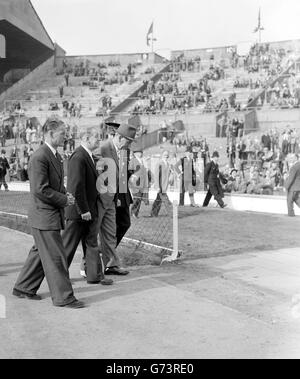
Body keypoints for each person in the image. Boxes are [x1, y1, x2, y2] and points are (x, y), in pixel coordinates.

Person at [13, 116, 85, 309]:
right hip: (44, 216)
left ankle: (24, 287)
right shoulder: (40, 156)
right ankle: (64, 297)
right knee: (55, 257)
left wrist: (65, 194)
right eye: (62, 133)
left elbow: (54, 185)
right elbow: (40, 189)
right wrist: (64, 200)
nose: (66, 136)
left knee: (39, 253)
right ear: (51, 133)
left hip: (48, 214)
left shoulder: (55, 155)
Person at [61, 127, 112, 286]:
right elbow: (76, 186)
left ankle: (95, 275)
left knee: (91, 243)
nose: (99, 140)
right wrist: (83, 210)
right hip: (79, 212)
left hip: (89, 210)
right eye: (96, 138)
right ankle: (59, 278)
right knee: (68, 246)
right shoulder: (79, 156)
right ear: (86, 138)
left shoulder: (87, 156)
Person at [98, 122, 137, 276]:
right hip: (109, 193)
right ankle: (105, 261)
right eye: (127, 141)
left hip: (122, 192)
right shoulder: (104, 148)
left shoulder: (125, 150)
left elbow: (125, 172)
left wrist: (131, 171)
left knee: (124, 224)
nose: (128, 145)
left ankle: (107, 258)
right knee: (108, 229)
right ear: (119, 137)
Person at [151, 150, 173, 217]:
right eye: (164, 154)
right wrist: (157, 186)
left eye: (167, 154)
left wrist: (171, 173)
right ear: (161, 155)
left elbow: (170, 174)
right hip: (160, 186)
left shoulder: (169, 164)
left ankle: (153, 213)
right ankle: (171, 214)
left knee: (158, 200)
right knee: (166, 200)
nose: (166, 155)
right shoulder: (159, 163)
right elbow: (156, 176)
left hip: (165, 186)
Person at [129, 148, 150, 218]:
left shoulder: (142, 161)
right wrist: (133, 176)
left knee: (139, 199)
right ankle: (132, 212)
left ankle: (135, 213)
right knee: (136, 198)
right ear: (135, 153)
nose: (141, 153)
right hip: (135, 182)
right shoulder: (133, 160)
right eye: (139, 152)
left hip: (142, 183)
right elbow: (130, 170)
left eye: (141, 152)